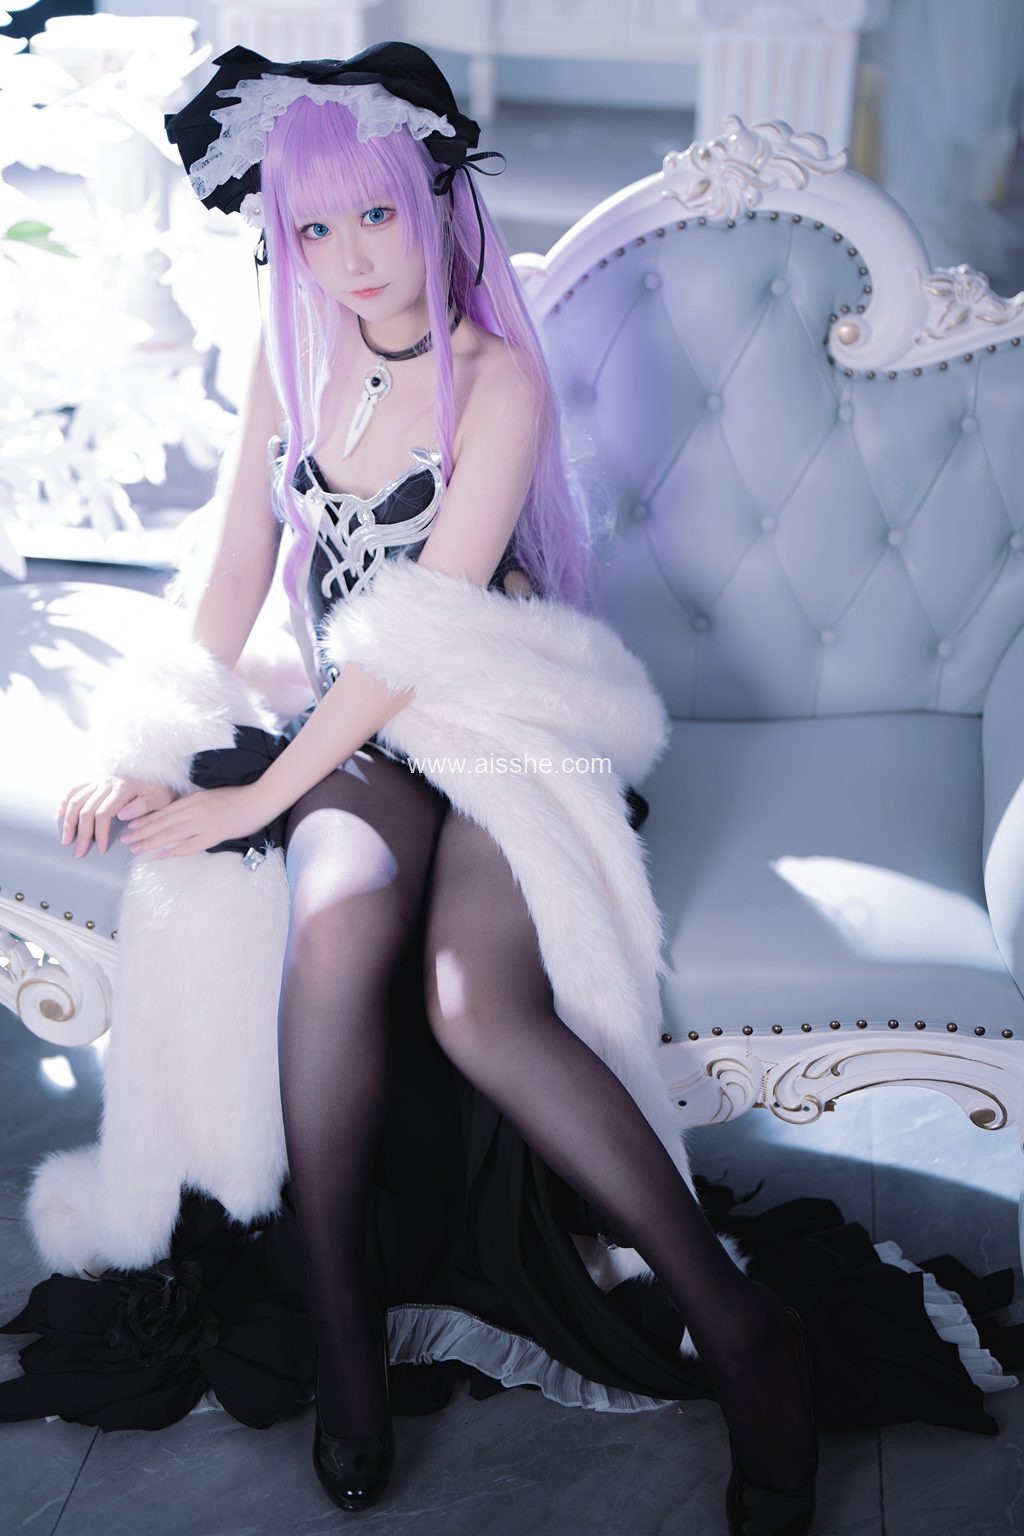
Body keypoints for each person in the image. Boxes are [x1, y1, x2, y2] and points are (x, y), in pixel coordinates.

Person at [1, 40, 1016, 1536]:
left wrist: (257, 797)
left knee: (476, 1001)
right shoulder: (292, 352)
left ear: (434, 200)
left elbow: (417, 639)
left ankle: (740, 1327)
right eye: (313, 228)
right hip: (354, 730)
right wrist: (147, 741)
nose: (351, 258)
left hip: (490, 707)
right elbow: (233, 570)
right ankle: (343, 1325)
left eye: (375, 216)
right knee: (330, 923)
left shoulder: (496, 381)